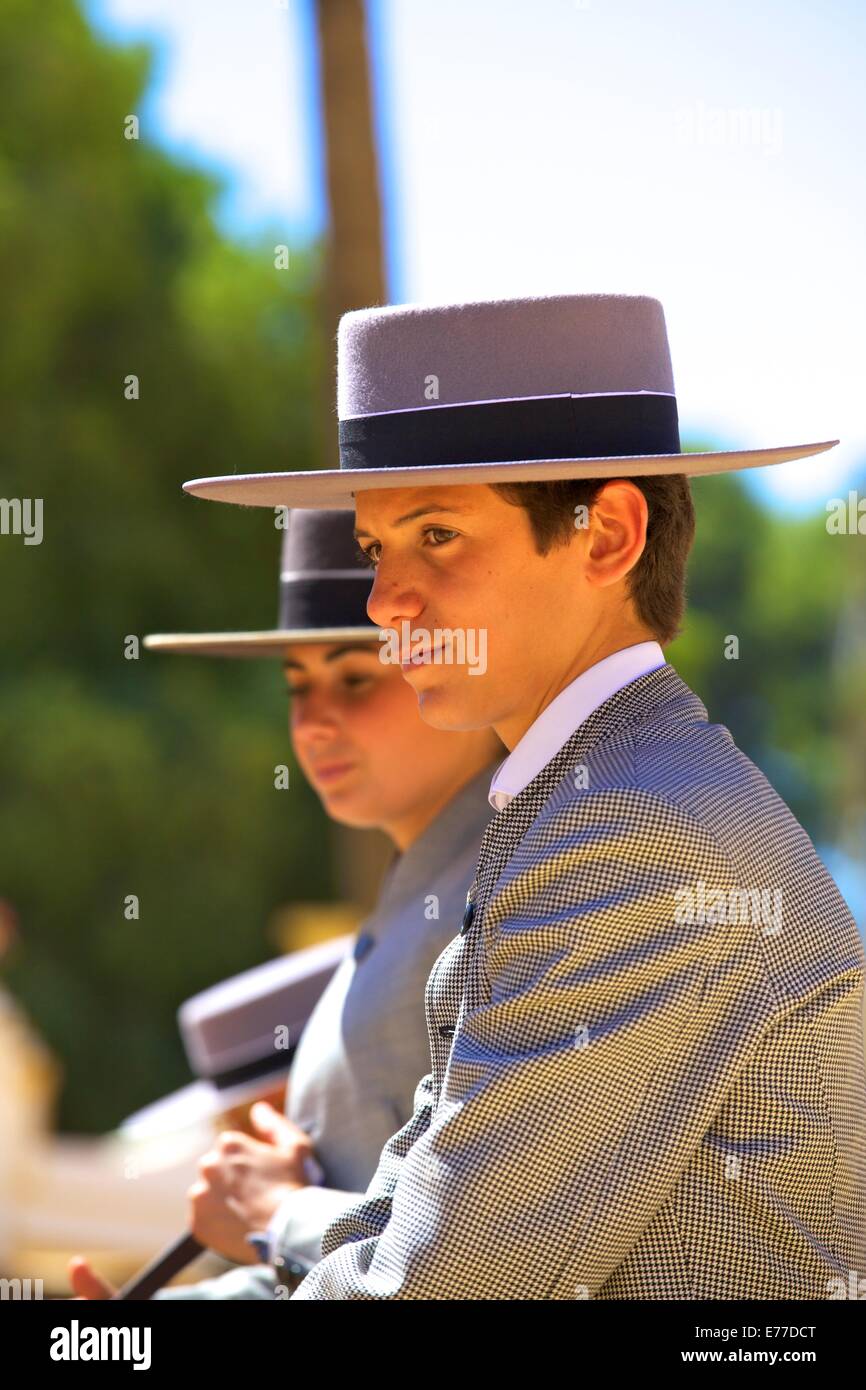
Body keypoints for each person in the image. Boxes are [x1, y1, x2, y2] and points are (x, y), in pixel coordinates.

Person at [184, 292, 866, 1300]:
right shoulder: (586, 805)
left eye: (437, 535)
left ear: (606, 536)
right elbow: (412, 1216)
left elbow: (433, 1289)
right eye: (376, 547)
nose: (382, 601)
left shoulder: (631, 831)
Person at [68, 508, 501, 1299]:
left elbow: (476, 1256)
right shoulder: (421, 894)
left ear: (454, 663)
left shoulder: (506, 887)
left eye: (355, 678)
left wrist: (278, 1212)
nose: (312, 721)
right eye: (296, 684)